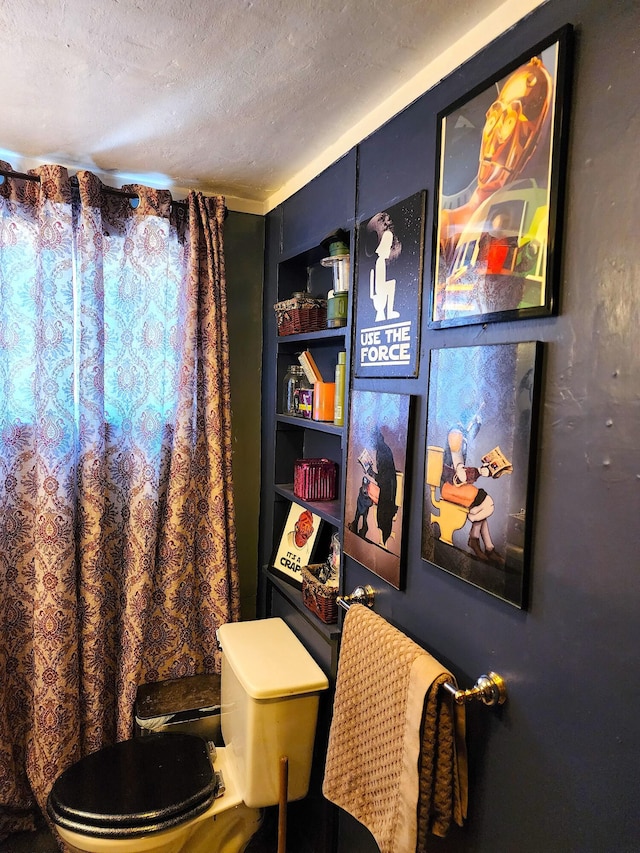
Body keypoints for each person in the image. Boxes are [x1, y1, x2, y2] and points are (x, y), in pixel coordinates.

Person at [440, 410, 505, 566]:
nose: (477, 426)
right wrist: (482, 471)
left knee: (480, 502)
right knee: (486, 502)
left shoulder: (461, 434)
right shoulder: (456, 435)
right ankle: (475, 538)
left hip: (454, 484)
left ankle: (487, 547)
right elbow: (460, 474)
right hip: (449, 487)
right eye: (476, 422)